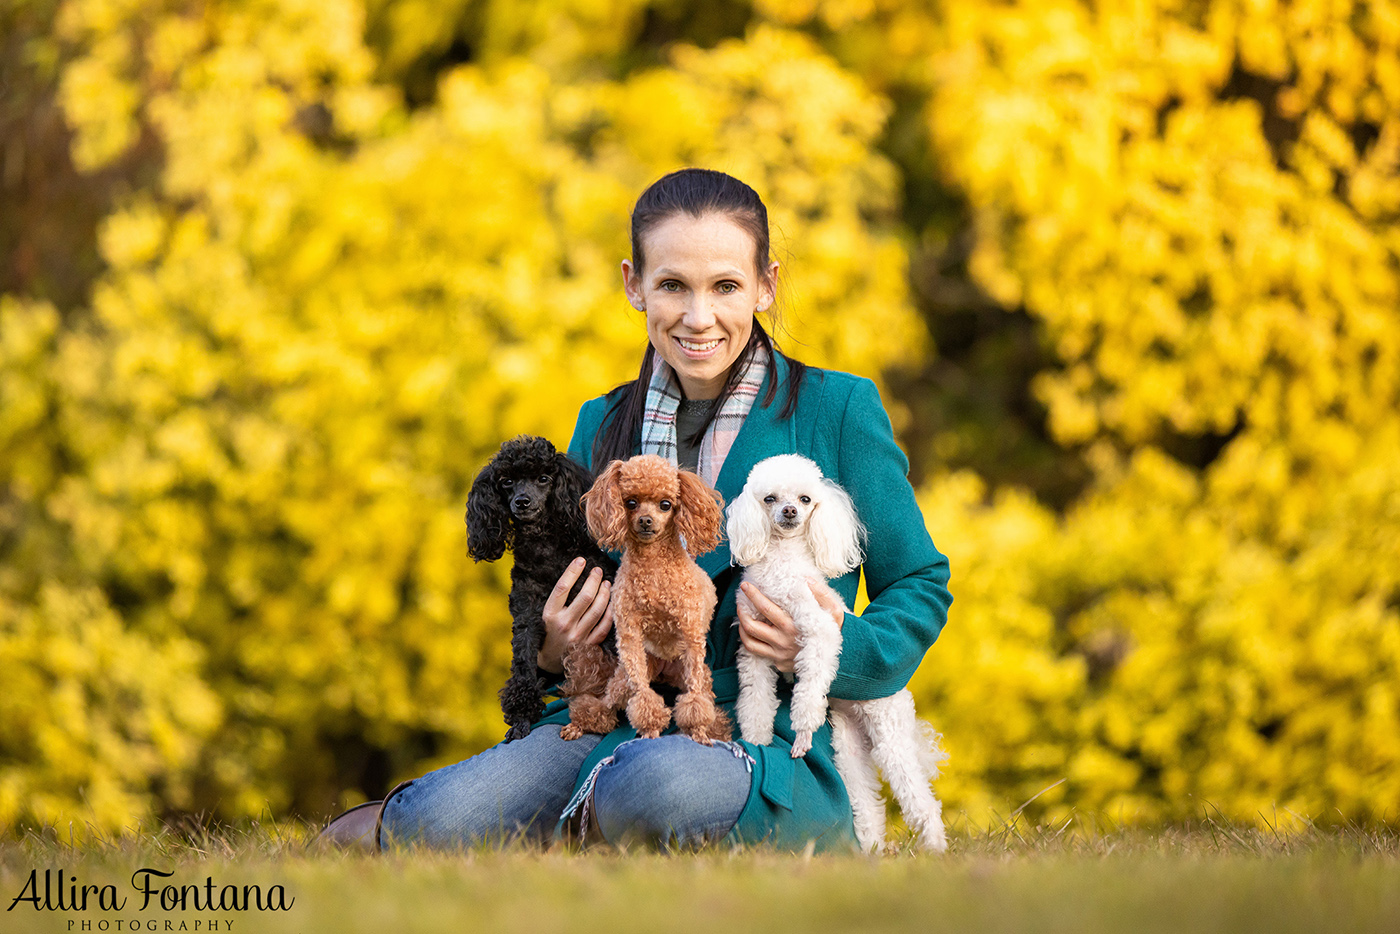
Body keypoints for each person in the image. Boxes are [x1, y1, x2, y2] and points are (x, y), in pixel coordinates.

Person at [323, 168, 952, 852]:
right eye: (673, 285)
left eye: (726, 286)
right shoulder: (601, 422)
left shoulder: (840, 409)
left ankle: (586, 822)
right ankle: (553, 820)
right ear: (634, 285)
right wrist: (554, 648)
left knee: (650, 784)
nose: (699, 315)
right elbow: (565, 598)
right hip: (617, 715)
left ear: (765, 285)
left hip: (766, 736)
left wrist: (830, 649)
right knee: (435, 821)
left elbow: (918, 583)